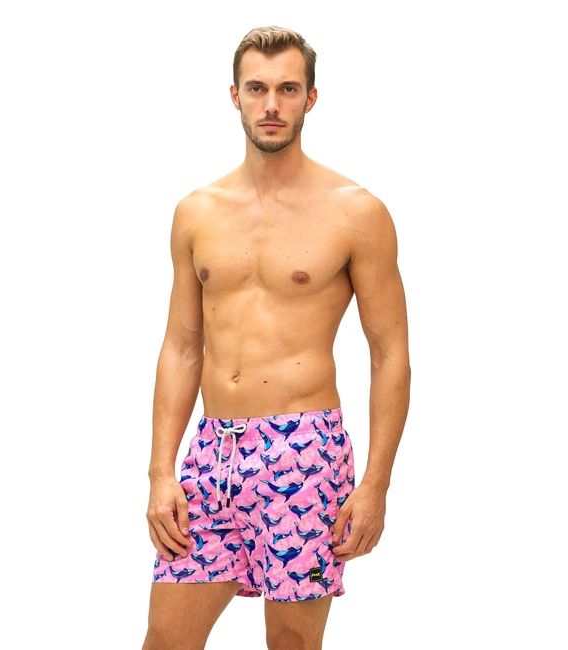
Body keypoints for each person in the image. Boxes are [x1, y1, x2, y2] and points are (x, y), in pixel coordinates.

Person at [142, 25, 411, 650]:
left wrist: (375, 485)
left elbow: (390, 352)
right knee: (166, 638)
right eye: (257, 88)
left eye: (288, 89)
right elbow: (181, 347)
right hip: (212, 451)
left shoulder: (356, 211)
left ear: (310, 98)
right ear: (234, 95)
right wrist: (160, 471)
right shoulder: (196, 212)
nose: (271, 105)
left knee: (291, 641)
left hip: (304, 449)